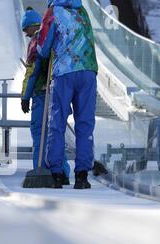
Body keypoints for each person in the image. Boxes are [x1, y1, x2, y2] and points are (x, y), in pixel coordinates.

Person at [23, 0, 98, 189]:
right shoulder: (83, 11)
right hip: (88, 71)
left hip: (64, 72)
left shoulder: (53, 11)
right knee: (85, 124)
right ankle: (82, 176)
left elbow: (43, 48)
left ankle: (57, 173)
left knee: (56, 123)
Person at [20, 7, 70, 184]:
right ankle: (61, 171)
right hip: (58, 91)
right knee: (56, 133)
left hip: (42, 93)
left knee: (40, 133)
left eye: (26, 31)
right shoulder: (55, 37)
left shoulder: (36, 42)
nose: (27, 35)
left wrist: (25, 96)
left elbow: (31, 73)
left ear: (32, 27)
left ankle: (40, 169)